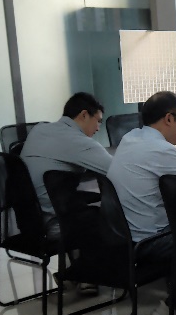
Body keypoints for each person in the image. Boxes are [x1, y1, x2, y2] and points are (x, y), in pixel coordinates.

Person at [107, 91, 176, 315]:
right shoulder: (160, 150)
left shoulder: (130, 138)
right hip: (148, 241)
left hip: (120, 236)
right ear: (169, 118)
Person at [20, 92, 112, 221]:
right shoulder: (77, 141)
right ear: (84, 115)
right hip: (57, 216)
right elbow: (117, 170)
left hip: (31, 213)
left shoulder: (39, 129)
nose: (98, 128)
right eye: (98, 121)